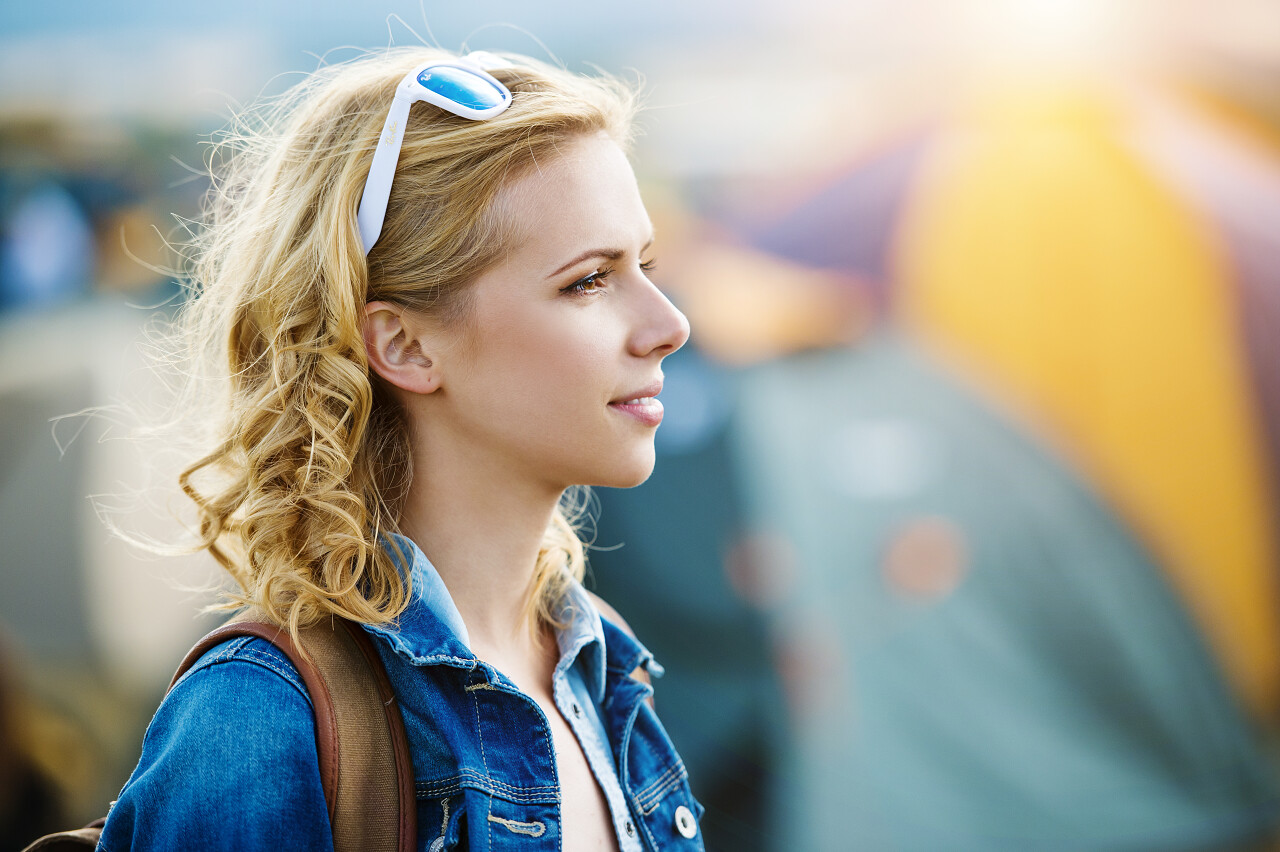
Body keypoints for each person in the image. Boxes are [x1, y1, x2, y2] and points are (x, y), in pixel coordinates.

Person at [96, 46, 701, 852]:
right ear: (406, 346)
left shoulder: (604, 670)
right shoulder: (261, 720)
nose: (670, 325)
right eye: (588, 280)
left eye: (646, 265)